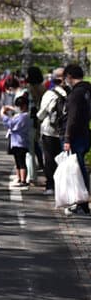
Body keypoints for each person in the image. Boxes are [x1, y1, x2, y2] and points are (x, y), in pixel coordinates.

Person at [62, 63, 91, 215]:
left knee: (76, 170)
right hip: (85, 133)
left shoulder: (76, 94)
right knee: (80, 169)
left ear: (69, 77)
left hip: (75, 136)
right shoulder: (87, 90)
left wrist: (67, 138)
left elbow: (71, 118)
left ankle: (80, 202)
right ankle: (83, 201)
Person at [37, 67, 68, 196]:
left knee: (49, 159)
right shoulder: (69, 93)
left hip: (49, 130)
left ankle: (50, 185)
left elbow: (41, 114)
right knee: (63, 159)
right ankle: (63, 186)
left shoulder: (49, 94)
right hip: (64, 131)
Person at [1, 95, 31, 189]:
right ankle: (19, 178)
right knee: (17, 161)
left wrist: (3, 115)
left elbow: (11, 124)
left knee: (21, 162)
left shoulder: (23, 117)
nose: (19, 108)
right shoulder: (23, 115)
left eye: (20, 106)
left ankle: (23, 180)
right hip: (16, 141)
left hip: (20, 141)